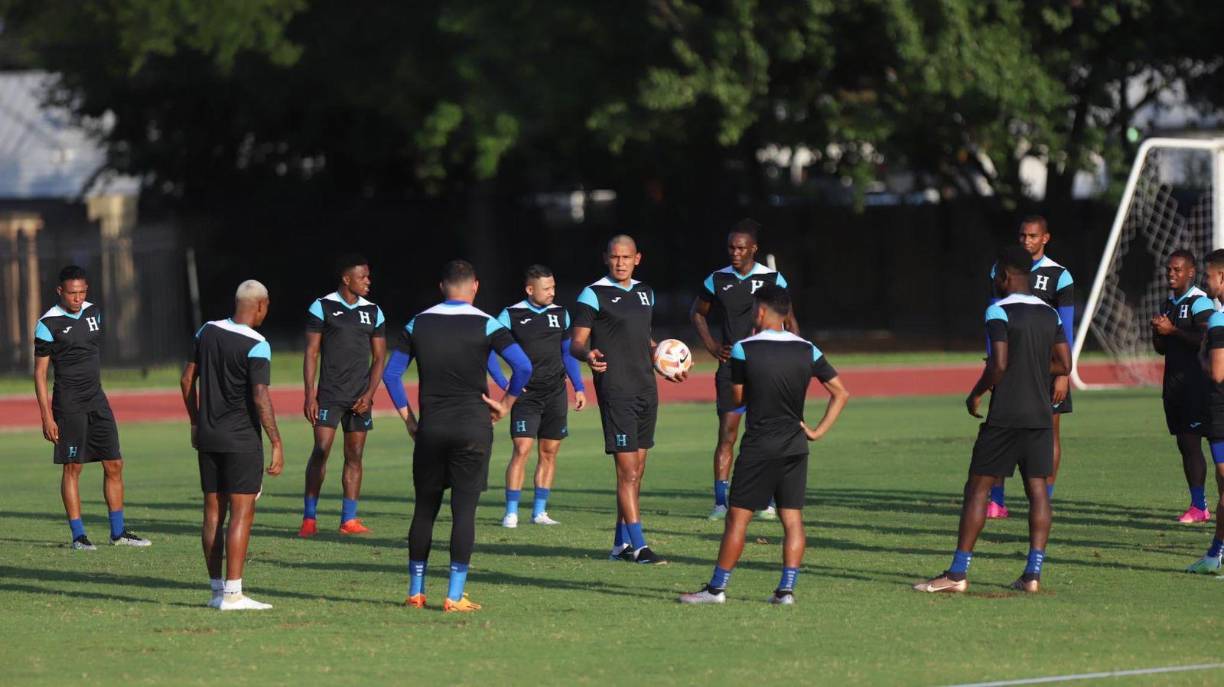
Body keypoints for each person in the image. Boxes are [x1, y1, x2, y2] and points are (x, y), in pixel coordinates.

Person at [915, 245, 1070, 593]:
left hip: (1006, 415)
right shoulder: (1050, 314)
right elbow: (1064, 365)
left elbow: (998, 365)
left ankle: (957, 573)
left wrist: (976, 392)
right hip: (1041, 415)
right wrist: (1032, 364)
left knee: (978, 489)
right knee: (1038, 492)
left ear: (1004, 275)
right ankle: (1032, 574)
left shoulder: (997, 311)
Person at [678, 286, 847, 605]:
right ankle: (785, 591)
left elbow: (739, 398)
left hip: (759, 446)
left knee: (737, 520)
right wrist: (817, 431)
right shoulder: (807, 349)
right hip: (796, 445)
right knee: (792, 519)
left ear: (759, 311)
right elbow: (841, 392)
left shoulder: (744, 349)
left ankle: (716, 589)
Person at [382, 259, 532, 612]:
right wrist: (506, 404)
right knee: (464, 512)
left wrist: (409, 420)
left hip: (431, 428)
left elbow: (391, 376)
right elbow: (524, 366)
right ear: (475, 286)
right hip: (473, 428)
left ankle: (416, 592)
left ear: (441, 286)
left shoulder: (418, 322)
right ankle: (454, 595)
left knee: (424, 509)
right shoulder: (487, 323)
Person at [571, 234, 684, 565]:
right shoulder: (593, 294)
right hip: (616, 389)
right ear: (606, 258)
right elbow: (575, 341)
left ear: (638, 258)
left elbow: (644, 340)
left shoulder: (645, 293)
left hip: (646, 389)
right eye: (614, 257)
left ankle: (620, 546)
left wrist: (666, 362)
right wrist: (587, 354)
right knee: (627, 473)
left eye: (626, 257)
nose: (620, 262)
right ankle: (640, 547)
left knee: (638, 471)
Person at [181, 280, 284, 610]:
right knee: (242, 514)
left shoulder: (206, 331)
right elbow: (260, 396)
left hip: (208, 438)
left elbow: (186, 380)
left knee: (213, 514)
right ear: (260, 305)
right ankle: (233, 594)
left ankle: (215, 592)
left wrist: (196, 421)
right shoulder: (258, 344)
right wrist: (276, 441)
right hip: (240, 439)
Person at [34, 265, 150, 550]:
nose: (77, 298)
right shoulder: (47, 324)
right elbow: (39, 374)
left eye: (82, 291)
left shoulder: (94, 313)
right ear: (60, 291)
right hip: (69, 405)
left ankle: (118, 533)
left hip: (97, 400)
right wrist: (47, 416)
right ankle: (78, 536)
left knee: (114, 463)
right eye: (72, 293)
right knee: (73, 468)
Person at [691, 219, 797, 520]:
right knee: (727, 435)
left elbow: (791, 321)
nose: (734, 253)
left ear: (754, 249)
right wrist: (712, 345)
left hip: (768, 369)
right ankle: (720, 503)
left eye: (740, 248)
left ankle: (764, 501)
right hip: (731, 370)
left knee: (765, 434)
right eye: (730, 248)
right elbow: (697, 313)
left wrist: (794, 355)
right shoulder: (717, 279)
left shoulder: (773, 278)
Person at [986, 216, 1075, 518]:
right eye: (1022, 235)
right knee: (999, 431)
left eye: (1033, 236)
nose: (1026, 240)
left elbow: (1068, 329)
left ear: (1045, 238)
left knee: (1050, 432)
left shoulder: (1060, 275)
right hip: (1009, 368)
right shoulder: (1001, 270)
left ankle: (1044, 498)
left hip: (1048, 369)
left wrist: (1063, 374)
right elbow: (993, 319)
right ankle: (996, 500)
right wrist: (991, 363)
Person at [486, 264, 587, 528]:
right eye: (547, 288)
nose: (552, 292)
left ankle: (539, 512)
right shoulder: (510, 315)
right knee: (522, 449)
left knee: (549, 452)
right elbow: (487, 350)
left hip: (555, 393)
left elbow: (567, 353)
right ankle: (511, 512)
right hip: (525, 396)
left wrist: (579, 386)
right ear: (530, 289)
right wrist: (504, 382)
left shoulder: (561, 314)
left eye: (553, 287)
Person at [298, 255, 387, 537]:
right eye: (363, 277)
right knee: (321, 451)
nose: (368, 282)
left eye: (369, 277)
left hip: (360, 397)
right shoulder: (322, 306)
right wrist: (310, 395)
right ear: (347, 279)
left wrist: (370, 394)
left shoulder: (373, 311)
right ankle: (309, 519)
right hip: (330, 395)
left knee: (355, 455)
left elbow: (380, 357)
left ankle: (349, 520)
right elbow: (312, 353)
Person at [1151, 250, 1214, 523]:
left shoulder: (1199, 301)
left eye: (1177, 270)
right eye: (1169, 270)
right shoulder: (1168, 304)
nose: (1171, 274)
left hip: (1196, 385)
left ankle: (1201, 506)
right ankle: (1198, 505)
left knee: (1203, 443)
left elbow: (1204, 338)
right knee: (1186, 444)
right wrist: (1158, 331)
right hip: (1174, 384)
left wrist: (1173, 331)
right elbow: (1162, 348)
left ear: (1190, 272)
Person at [1185, 250, 1224, 574]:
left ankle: (1214, 556)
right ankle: (1215, 553)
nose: (1206, 283)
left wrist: (1201, 356)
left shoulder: (1218, 320)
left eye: (1208, 276)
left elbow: (1217, 373)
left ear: (1221, 278)